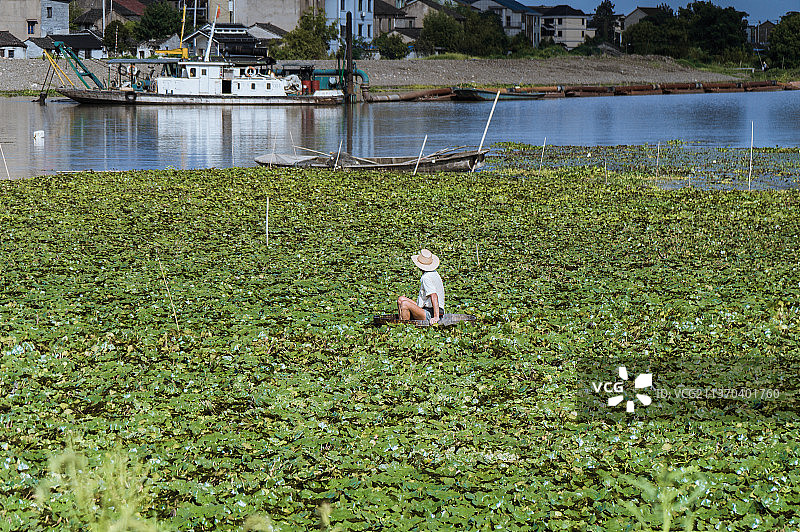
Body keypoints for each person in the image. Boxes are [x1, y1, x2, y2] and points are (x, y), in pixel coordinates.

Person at [397, 248, 445, 324]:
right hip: (426, 307)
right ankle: (403, 320)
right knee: (401, 299)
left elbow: (434, 295)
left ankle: (405, 327)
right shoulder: (435, 273)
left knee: (405, 304)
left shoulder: (426, 277)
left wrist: (436, 317)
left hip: (431, 312)